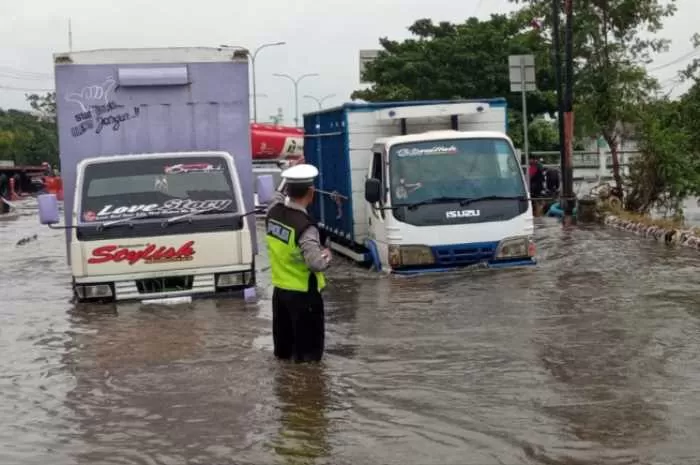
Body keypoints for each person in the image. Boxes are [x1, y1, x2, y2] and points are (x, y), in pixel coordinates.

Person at [265, 163, 332, 363]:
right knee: (309, 361)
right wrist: (327, 255)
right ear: (311, 192)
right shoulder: (306, 227)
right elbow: (316, 264)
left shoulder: (273, 213)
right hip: (305, 298)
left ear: (288, 190)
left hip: (280, 294)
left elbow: (277, 195)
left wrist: (288, 176)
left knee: (284, 354)